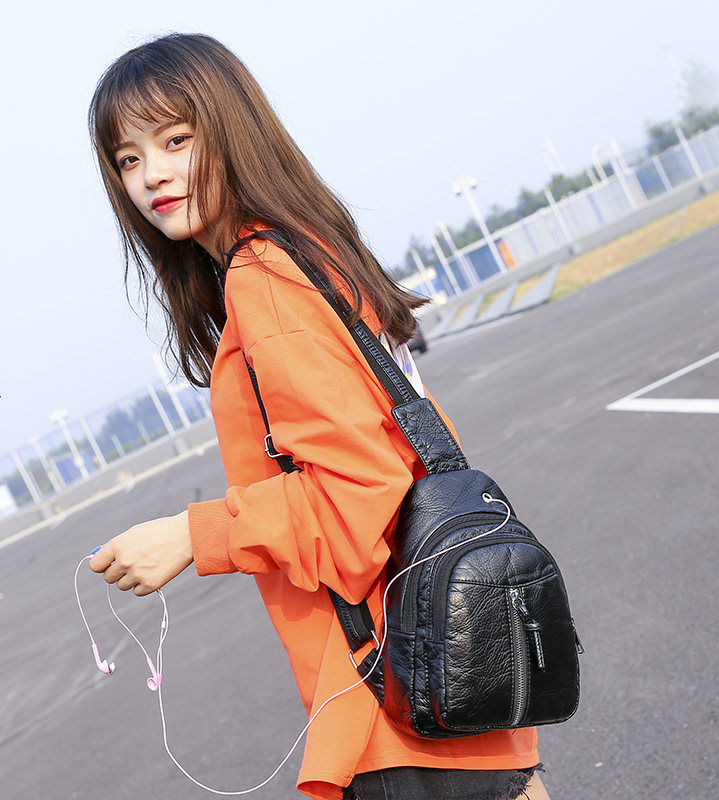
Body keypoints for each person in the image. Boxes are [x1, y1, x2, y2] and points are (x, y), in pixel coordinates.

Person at [87, 33, 550, 800]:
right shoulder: (302, 250)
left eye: (175, 140)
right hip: (444, 662)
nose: (153, 175)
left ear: (232, 128)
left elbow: (357, 493)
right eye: (128, 158)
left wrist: (191, 536)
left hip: (392, 693)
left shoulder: (265, 277)